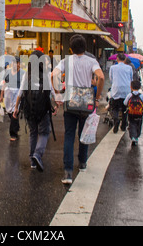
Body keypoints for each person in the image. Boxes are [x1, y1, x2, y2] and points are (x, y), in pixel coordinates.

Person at [51, 34, 105, 184]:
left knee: (69, 135)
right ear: (85, 47)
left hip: (70, 101)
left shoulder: (66, 61)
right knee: (84, 132)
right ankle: (82, 163)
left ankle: (68, 172)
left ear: (71, 48)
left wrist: (57, 94)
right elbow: (100, 77)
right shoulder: (92, 61)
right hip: (86, 101)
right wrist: (97, 97)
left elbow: (53, 75)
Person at [13, 51, 57, 171]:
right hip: (44, 110)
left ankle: (32, 161)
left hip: (29, 109)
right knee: (43, 133)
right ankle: (38, 154)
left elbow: (20, 93)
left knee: (33, 133)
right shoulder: (46, 74)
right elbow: (52, 92)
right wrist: (56, 104)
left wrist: (16, 108)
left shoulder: (26, 75)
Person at [0, 56, 24, 141]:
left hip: (18, 95)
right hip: (8, 95)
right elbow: (4, 84)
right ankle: (16, 127)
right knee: (10, 112)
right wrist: (1, 95)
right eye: (14, 63)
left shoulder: (23, 73)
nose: (16, 65)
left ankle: (13, 134)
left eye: (17, 63)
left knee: (15, 111)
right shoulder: (8, 72)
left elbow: (24, 85)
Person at [109, 53, 133, 133]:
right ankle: (123, 125)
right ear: (125, 59)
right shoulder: (129, 68)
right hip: (126, 90)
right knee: (124, 109)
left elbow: (111, 79)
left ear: (117, 59)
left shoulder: (112, 67)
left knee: (115, 108)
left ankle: (116, 120)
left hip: (116, 89)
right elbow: (131, 79)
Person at [123, 80, 143, 146]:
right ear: (139, 87)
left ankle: (133, 137)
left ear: (131, 87)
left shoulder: (129, 95)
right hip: (139, 114)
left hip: (131, 114)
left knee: (132, 124)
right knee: (138, 125)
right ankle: (136, 137)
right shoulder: (141, 96)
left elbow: (125, 103)